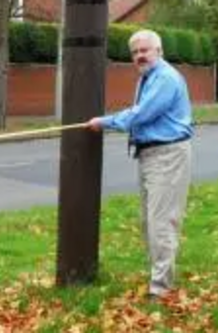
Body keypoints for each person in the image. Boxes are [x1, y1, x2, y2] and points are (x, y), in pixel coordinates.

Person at [86, 29, 193, 299]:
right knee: (149, 222)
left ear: (159, 51)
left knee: (161, 224)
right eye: (135, 52)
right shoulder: (148, 78)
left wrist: (105, 122)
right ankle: (159, 277)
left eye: (145, 50)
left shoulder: (165, 78)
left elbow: (142, 114)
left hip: (167, 155)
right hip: (150, 155)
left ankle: (161, 290)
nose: (139, 56)